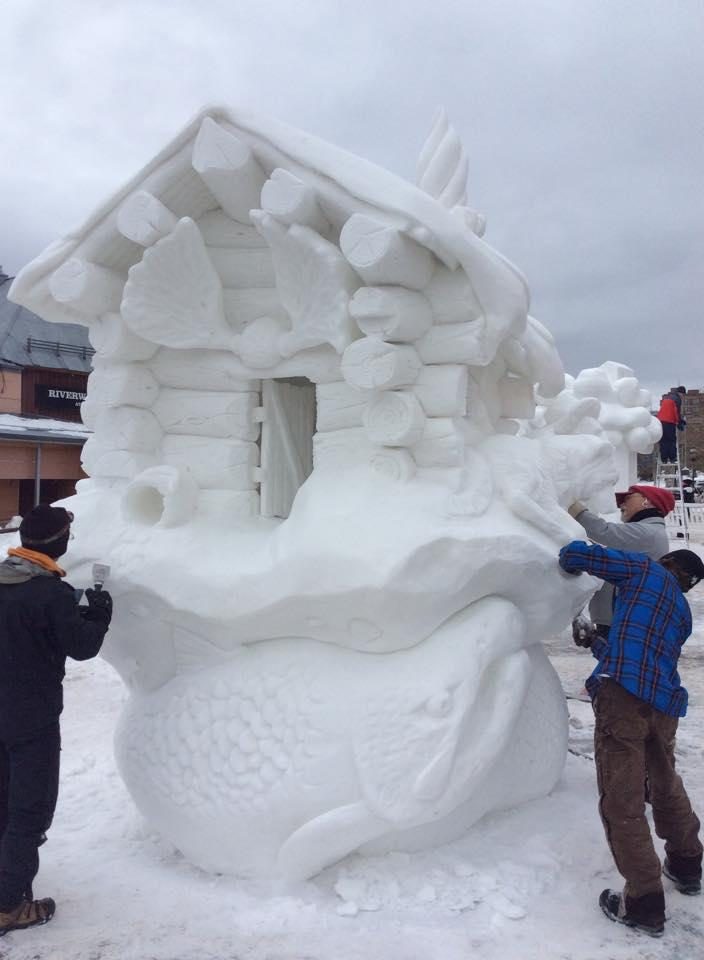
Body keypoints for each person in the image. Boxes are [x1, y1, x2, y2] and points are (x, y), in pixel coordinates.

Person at [559, 540, 704, 937]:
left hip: (623, 699)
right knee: (664, 785)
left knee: (622, 799)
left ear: (668, 563)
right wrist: (596, 643)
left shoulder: (643, 570)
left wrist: (566, 541)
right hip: (663, 705)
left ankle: (643, 903)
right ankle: (687, 864)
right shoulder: (681, 612)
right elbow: (643, 657)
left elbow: (578, 555)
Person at [0, 505, 112, 937]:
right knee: (29, 809)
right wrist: (98, 610)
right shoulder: (51, 595)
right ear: (59, 543)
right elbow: (82, 646)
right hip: (32, 721)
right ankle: (9, 905)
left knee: (3, 801)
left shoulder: (9, 578)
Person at [567, 485, 674, 645]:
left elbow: (604, 532)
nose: (621, 505)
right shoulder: (642, 534)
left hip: (623, 620)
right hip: (618, 618)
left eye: (628, 499)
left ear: (647, 502)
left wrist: (572, 505)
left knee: (618, 666)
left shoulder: (648, 533)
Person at [657, 386, 686, 464]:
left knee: (663, 440)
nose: (682, 396)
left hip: (660, 421)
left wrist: (680, 420)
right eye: (683, 395)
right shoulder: (677, 399)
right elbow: (676, 412)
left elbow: (667, 410)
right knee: (671, 440)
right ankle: (673, 458)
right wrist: (679, 422)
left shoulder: (667, 397)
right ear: (681, 393)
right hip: (669, 422)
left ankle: (664, 459)